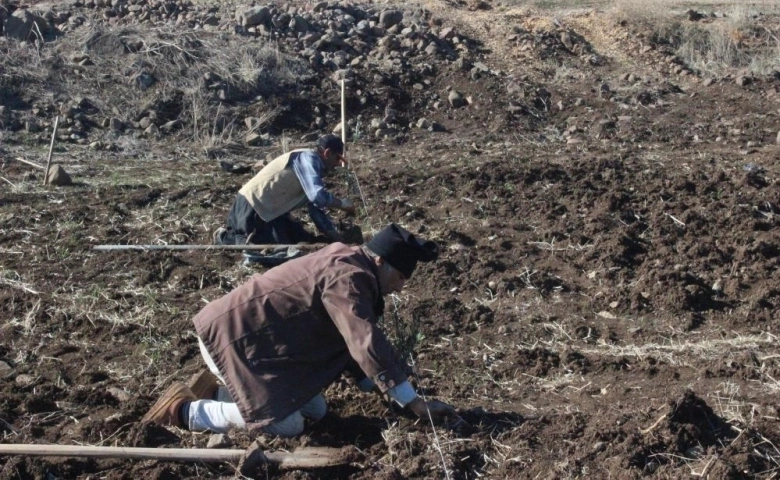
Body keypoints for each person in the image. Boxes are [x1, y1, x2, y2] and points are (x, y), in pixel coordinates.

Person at [143, 223, 459, 437]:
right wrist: (413, 401)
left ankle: (219, 394)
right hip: (231, 341)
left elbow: (349, 344)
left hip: (253, 344)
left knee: (316, 409)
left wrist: (389, 390)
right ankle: (185, 412)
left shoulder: (348, 260)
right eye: (401, 277)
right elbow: (363, 340)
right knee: (287, 425)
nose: (401, 287)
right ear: (380, 262)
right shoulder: (350, 279)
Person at [213, 134, 356, 259]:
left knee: (299, 238)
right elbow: (318, 196)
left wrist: (335, 237)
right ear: (327, 153)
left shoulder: (312, 169)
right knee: (267, 249)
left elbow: (315, 207)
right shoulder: (308, 159)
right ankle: (224, 238)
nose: (337, 164)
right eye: (337, 158)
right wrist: (342, 204)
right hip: (252, 207)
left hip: (270, 212)